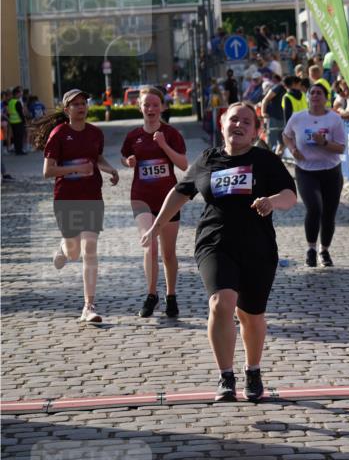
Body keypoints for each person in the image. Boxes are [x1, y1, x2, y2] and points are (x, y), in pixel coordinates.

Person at [141, 102, 296, 403]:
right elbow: (180, 192)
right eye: (233, 119)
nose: (239, 125)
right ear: (222, 123)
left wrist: (271, 202)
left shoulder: (264, 160)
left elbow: (291, 195)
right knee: (220, 304)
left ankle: (253, 369)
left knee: (252, 316)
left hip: (257, 247)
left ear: (255, 131)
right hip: (215, 242)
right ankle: (226, 376)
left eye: (246, 122)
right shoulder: (207, 159)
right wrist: (157, 225)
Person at [32, 89, 120, 323]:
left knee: (89, 248)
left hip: (92, 196)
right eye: (75, 104)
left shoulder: (95, 133)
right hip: (66, 199)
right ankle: (63, 248)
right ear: (66, 109)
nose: (81, 107)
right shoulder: (58, 134)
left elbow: (97, 158)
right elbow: (47, 171)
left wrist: (109, 168)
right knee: (74, 251)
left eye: (84, 103)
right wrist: (76, 169)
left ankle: (88, 306)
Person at [120, 86, 188, 318]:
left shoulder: (171, 134)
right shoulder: (133, 136)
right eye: (146, 105)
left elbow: (183, 165)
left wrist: (163, 145)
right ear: (139, 107)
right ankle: (151, 294)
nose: (150, 109)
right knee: (150, 245)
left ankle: (171, 295)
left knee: (168, 253)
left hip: (169, 198)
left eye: (155, 105)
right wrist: (128, 161)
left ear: (162, 107)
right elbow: (124, 156)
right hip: (141, 197)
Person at [282, 82, 346, 267]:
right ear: (308, 97)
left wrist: (324, 143)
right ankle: (311, 248)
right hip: (306, 170)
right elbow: (286, 135)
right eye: (312, 93)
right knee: (314, 208)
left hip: (331, 171)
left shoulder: (334, 119)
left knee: (328, 213)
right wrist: (293, 148)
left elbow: (341, 148)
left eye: (319, 93)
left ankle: (324, 250)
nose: (316, 96)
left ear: (326, 98)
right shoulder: (298, 117)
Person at [7, 86, 26, 155]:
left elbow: (8, 112)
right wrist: (24, 121)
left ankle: (17, 150)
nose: (21, 94)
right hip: (18, 122)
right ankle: (20, 150)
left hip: (12, 122)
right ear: (16, 94)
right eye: (20, 93)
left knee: (15, 137)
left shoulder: (10, 102)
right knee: (19, 137)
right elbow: (20, 113)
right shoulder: (17, 102)